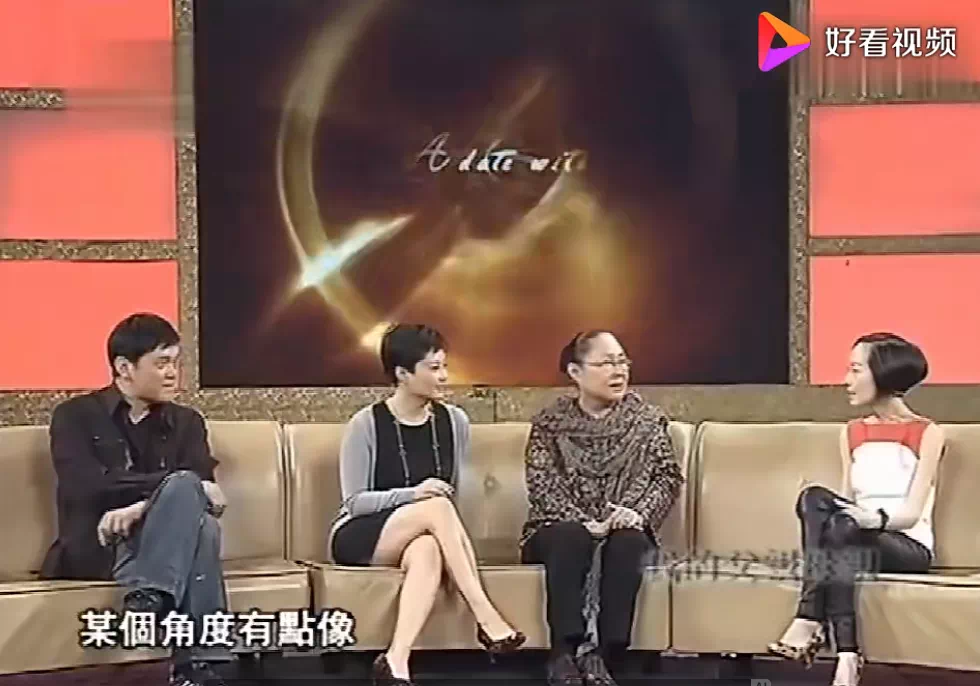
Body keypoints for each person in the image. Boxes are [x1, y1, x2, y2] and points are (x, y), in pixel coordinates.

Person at [328, 324, 525, 686]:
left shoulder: (455, 421)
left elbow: (456, 492)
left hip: (424, 531)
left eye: (444, 366)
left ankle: (395, 660)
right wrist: (412, 495)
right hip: (362, 535)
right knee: (435, 504)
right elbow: (354, 503)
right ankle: (485, 615)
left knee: (428, 548)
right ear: (403, 374)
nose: (444, 376)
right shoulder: (366, 424)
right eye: (433, 368)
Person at [40, 314, 230, 686]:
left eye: (175, 363)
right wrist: (171, 492)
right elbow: (85, 487)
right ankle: (201, 665)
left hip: (162, 544)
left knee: (202, 522)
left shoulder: (188, 422)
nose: (173, 374)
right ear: (124, 368)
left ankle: (148, 597)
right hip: (99, 545)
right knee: (191, 502)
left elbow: (209, 494)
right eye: (161, 363)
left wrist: (143, 508)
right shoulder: (74, 416)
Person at [767, 333, 944, 686]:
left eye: (855, 370)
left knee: (843, 527)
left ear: (883, 372)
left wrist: (872, 519)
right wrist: (848, 518)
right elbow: (845, 498)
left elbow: (912, 513)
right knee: (815, 498)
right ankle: (847, 656)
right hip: (852, 536)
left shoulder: (927, 432)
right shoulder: (852, 431)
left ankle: (810, 620)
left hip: (906, 545)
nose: (846, 380)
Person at [520, 330, 684, 686]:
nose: (619, 371)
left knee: (628, 541)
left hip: (625, 525)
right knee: (570, 537)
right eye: (607, 363)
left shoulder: (647, 421)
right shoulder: (549, 425)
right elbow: (542, 484)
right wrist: (584, 522)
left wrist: (636, 514)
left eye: (622, 361)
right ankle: (563, 652)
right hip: (557, 529)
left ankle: (604, 655)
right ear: (575, 372)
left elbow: (667, 477)